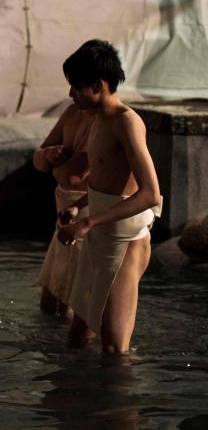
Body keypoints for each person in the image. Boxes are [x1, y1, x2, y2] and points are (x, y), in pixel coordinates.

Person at [57, 40, 162, 354]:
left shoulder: (127, 122)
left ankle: (122, 404)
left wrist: (88, 222)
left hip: (125, 244)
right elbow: (107, 182)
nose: (70, 94)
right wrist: (78, 207)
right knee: (79, 336)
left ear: (97, 85)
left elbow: (149, 194)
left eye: (75, 87)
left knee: (116, 351)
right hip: (100, 238)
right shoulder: (96, 119)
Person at [33, 103, 93, 317]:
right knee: (49, 301)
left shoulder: (113, 122)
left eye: (76, 86)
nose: (70, 94)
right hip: (65, 214)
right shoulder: (73, 110)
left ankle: (71, 348)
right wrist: (48, 154)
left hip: (87, 218)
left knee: (74, 305)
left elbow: (74, 174)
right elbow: (38, 160)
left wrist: (83, 217)